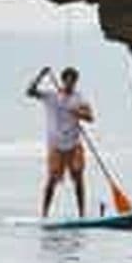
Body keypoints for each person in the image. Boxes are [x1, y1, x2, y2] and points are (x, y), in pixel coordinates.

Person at [26, 65, 94, 218]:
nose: (70, 84)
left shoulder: (80, 98)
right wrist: (40, 75)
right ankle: (44, 214)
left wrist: (77, 112)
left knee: (78, 178)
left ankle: (82, 214)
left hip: (74, 144)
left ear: (76, 82)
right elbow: (29, 92)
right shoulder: (51, 96)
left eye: (73, 81)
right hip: (56, 145)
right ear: (63, 81)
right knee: (52, 180)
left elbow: (90, 117)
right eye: (68, 81)